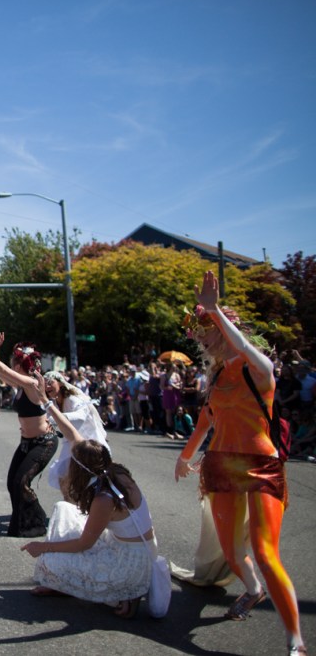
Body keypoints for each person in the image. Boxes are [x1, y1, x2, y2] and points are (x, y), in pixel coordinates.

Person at [175, 271, 305, 656]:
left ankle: (296, 642)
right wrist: (184, 457)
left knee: (265, 552)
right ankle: (253, 589)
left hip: (261, 466)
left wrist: (214, 310)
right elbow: (205, 422)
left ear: (222, 330)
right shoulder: (215, 378)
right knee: (232, 552)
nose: (200, 341)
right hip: (220, 467)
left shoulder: (258, 370)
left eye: (206, 333)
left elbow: (248, 348)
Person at [22, 395, 157, 618]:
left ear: (79, 469)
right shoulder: (113, 470)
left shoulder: (104, 499)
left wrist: (42, 547)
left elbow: (83, 544)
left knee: (52, 560)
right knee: (63, 508)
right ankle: (76, 586)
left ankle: (124, 592)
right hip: (136, 548)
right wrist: (46, 401)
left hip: (129, 563)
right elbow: (71, 433)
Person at [0, 334, 58, 537]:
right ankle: (23, 523)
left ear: (18, 364)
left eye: (13, 361)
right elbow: (0, 372)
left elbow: (5, 371)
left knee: (21, 482)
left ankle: (37, 521)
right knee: (12, 482)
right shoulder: (21, 385)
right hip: (27, 442)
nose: (10, 364)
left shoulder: (33, 383)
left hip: (43, 443)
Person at [41, 370, 110, 495]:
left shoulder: (72, 399)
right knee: (63, 476)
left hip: (90, 442)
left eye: (50, 382)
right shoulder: (54, 402)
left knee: (92, 477)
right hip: (72, 442)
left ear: (60, 383)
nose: (47, 386)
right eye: (45, 384)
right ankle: (73, 503)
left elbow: (80, 417)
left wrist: (56, 418)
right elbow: (47, 419)